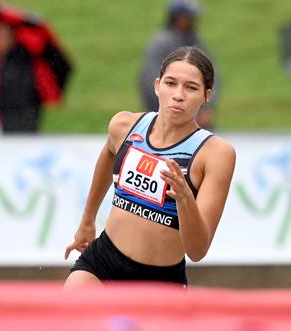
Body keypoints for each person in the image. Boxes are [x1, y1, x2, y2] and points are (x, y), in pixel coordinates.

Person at [64, 46, 235, 288]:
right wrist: (88, 220)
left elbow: (197, 251)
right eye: (171, 83)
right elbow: (107, 155)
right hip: (101, 263)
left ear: (206, 96)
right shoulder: (124, 125)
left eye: (191, 87)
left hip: (160, 281)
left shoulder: (215, 154)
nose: (178, 95)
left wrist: (185, 199)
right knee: (73, 321)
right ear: (157, 86)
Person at [139, 0, 219, 130]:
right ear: (176, 17)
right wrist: (166, 109)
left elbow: (212, 75)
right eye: (188, 16)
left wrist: (206, 108)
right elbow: (149, 79)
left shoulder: (195, 40)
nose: (193, 20)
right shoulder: (160, 42)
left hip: (194, 116)